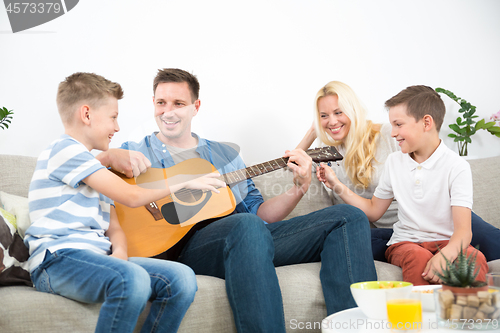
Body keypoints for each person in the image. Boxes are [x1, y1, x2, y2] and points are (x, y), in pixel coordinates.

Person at [99, 68, 377, 333]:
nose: (168, 111)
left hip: (247, 238)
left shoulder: (225, 156)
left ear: (195, 107)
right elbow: (81, 172)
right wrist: (106, 156)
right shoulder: (134, 151)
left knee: (347, 217)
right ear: (153, 103)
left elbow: (261, 216)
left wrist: (299, 188)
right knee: (244, 225)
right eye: (161, 102)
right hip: (182, 249)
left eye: (178, 103)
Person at [24, 72, 206, 333]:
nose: (118, 127)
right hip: (57, 261)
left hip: (98, 259)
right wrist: (182, 181)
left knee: (182, 279)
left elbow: (115, 228)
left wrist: (119, 255)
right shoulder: (62, 150)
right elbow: (131, 197)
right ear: (86, 114)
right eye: (113, 117)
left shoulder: (96, 172)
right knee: (131, 279)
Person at [296, 81, 500, 262]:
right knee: (338, 241)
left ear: (353, 110)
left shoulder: (389, 134)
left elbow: (432, 161)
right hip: (398, 232)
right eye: (324, 115)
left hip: (436, 218)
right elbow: (291, 164)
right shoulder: (326, 155)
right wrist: (313, 131)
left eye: (338, 112)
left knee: (488, 241)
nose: (332, 121)